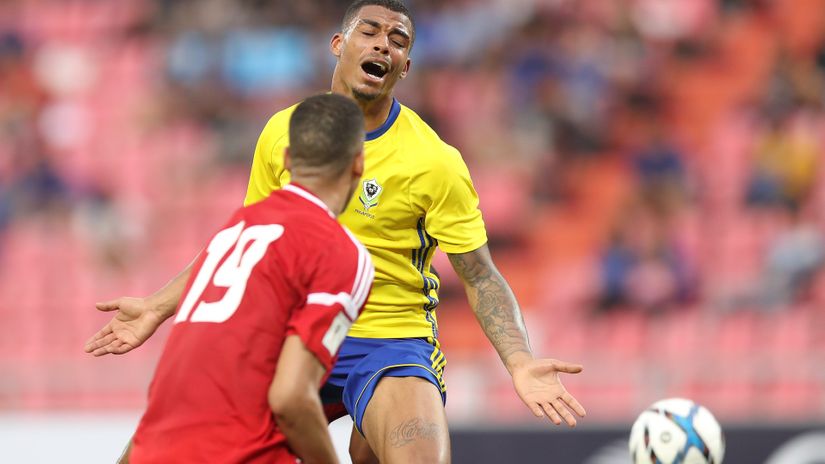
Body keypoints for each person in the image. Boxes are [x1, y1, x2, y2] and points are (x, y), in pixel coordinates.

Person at [85, 1, 586, 462]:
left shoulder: (434, 161)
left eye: (399, 40)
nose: (383, 45)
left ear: (404, 68)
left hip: (388, 340)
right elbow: (247, 239)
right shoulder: (283, 131)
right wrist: (157, 304)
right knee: (167, 440)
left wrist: (519, 361)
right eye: (369, 31)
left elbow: (479, 275)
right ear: (337, 44)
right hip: (295, 333)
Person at [93, 94, 374, 463]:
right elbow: (291, 396)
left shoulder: (233, 231)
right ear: (357, 165)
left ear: (288, 160)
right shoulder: (341, 253)